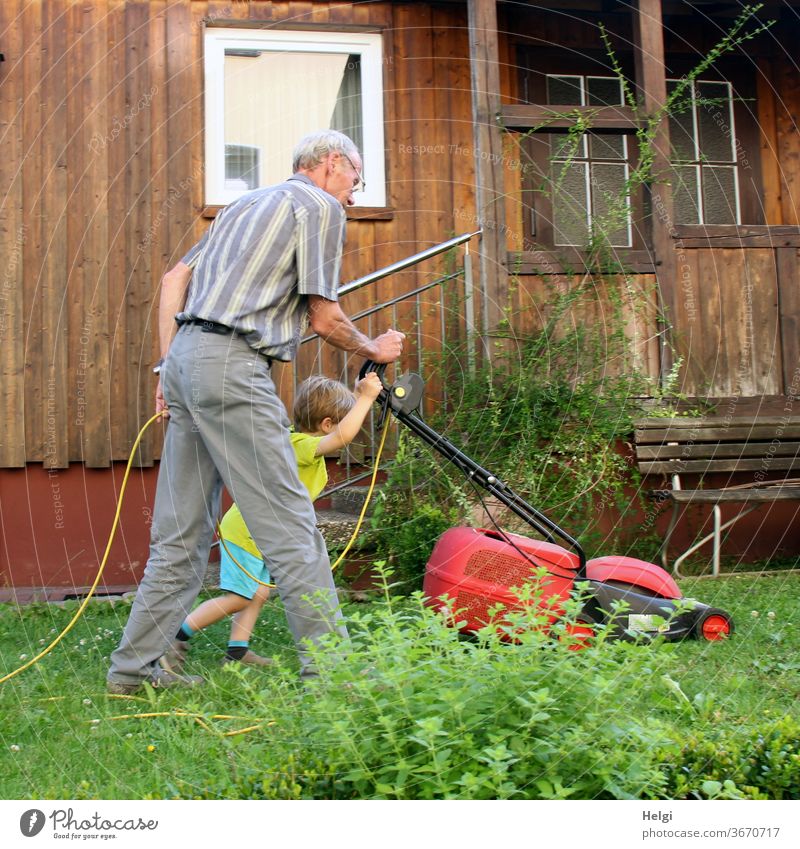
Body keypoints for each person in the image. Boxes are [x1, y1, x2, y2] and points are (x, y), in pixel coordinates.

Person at [107, 130, 404, 693]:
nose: (353, 198)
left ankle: (131, 672)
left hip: (188, 360)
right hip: (233, 367)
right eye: (354, 184)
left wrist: (169, 370)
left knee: (179, 538)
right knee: (292, 528)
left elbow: (175, 280)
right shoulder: (317, 205)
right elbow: (322, 315)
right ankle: (336, 676)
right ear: (330, 165)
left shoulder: (242, 205)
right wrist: (372, 349)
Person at [160, 372, 382, 672]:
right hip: (247, 531)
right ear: (327, 424)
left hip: (266, 531)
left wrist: (357, 397)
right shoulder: (300, 445)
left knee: (259, 592)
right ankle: (174, 636)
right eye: (338, 421)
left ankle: (237, 652)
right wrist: (367, 398)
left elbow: (339, 430)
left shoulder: (297, 441)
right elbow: (343, 435)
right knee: (239, 597)